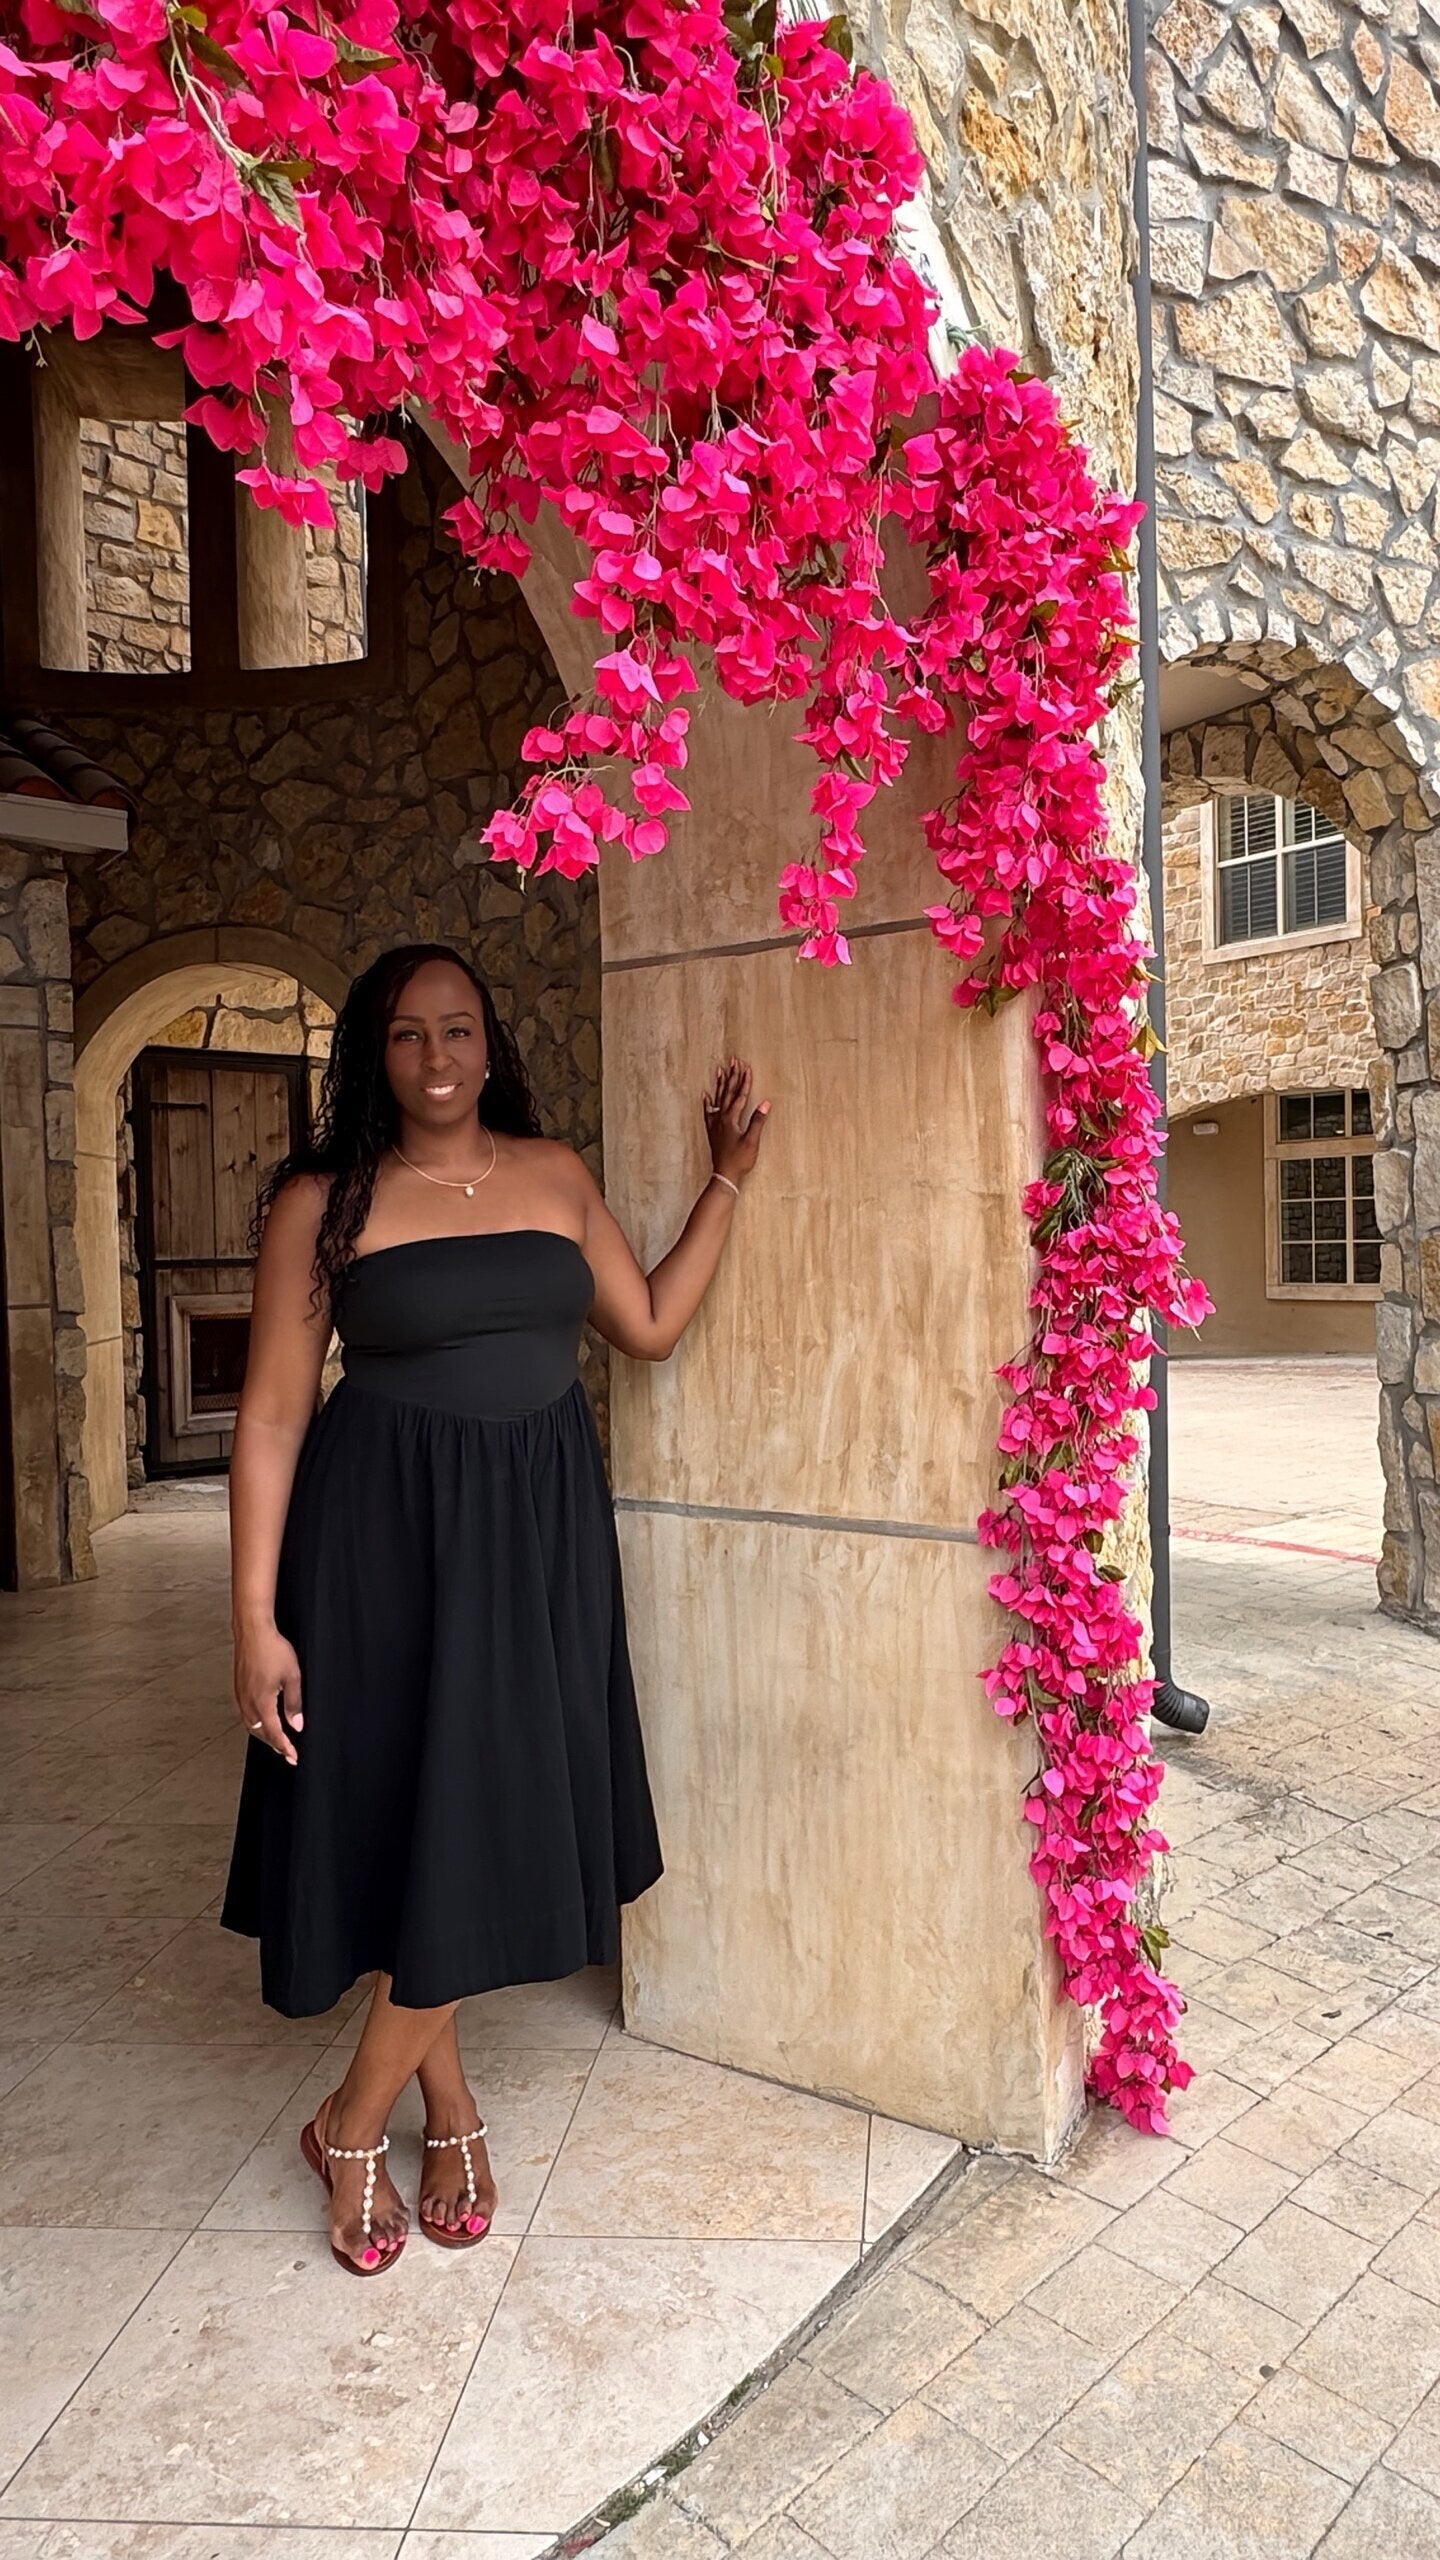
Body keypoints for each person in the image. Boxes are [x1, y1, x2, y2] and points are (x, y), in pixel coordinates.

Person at [221, 941, 770, 2276]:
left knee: (484, 1806)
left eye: (458, 1028)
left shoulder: (554, 1173)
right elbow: (275, 1415)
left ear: (490, 1043)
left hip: (535, 1538)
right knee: (422, 1809)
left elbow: (647, 1323)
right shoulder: (322, 1201)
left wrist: (724, 1183)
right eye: (408, 1034)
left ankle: (367, 2113)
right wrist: (254, 1617)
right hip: (381, 1544)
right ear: (376, 1054)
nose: (437, 1056)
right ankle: (409, 2117)